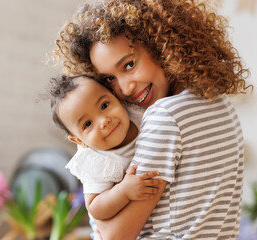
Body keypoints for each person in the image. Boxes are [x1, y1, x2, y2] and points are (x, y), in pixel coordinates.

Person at [53, 0, 253, 239]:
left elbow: (113, 236)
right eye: (109, 80)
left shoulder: (164, 117)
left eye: (129, 64)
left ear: (159, 45)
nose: (125, 89)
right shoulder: (221, 103)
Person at [49, 74, 163, 227]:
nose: (104, 121)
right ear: (78, 141)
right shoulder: (97, 162)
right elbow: (95, 208)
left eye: (104, 106)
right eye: (88, 123)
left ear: (116, 97)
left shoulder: (139, 112)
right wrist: (123, 191)